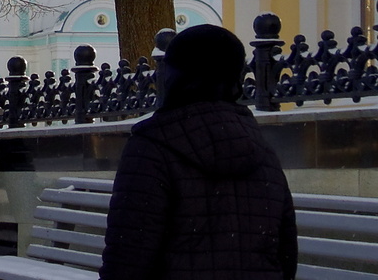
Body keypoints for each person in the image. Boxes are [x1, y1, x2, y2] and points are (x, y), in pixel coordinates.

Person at [98, 24, 297, 280]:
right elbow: (285, 253)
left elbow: (128, 256)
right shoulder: (261, 150)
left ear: (173, 75)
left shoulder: (152, 147)